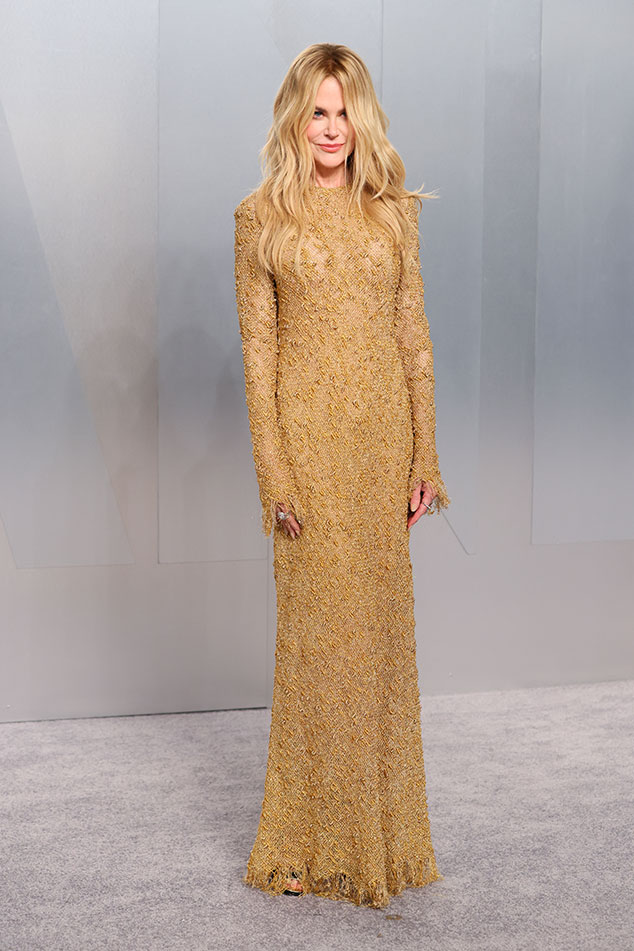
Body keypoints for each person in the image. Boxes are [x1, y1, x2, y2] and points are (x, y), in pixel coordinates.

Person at [233, 42, 451, 909]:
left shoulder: (393, 213)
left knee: (377, 646)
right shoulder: (260, 218)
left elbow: (414, 339)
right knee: (314, 645)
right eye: (318, 112)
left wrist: (425, 455)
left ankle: (379, 838)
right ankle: (298, 842)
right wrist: (274, 472)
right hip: (309, 454)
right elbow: (258, 355)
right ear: (297, 119)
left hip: (380, 448)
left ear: (363, 119)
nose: (332, 128)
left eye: (344, 112)